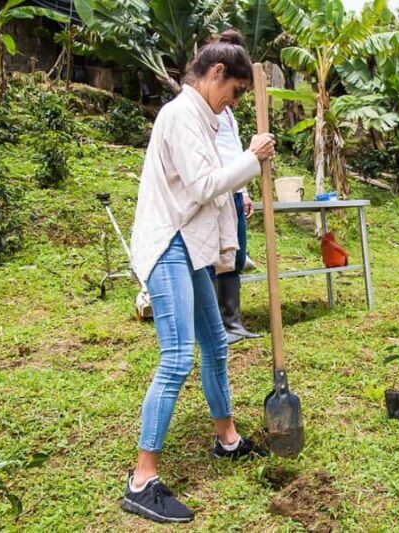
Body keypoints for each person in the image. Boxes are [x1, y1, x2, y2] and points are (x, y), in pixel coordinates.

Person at [123, 30, 276, 524]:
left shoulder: (204, 118)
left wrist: (247, 161)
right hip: (169, 242)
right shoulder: (180, 115)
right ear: (215, 75)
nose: (232, 101)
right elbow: (206, 184)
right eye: (233, 91)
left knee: (216, 343)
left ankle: (227, 439)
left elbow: (212, 184)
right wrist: (252, 160)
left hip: (191, 246)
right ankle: (142, 479)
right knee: (176, 359)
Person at [212, 104, 262, 344]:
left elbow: (232, 152)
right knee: (217, 259)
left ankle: (234, 323)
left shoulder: (227, 112)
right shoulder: (204, 110)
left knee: (237, 257)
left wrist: (243, 192)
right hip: (217, 190)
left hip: (235, 191)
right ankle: (216, 327)